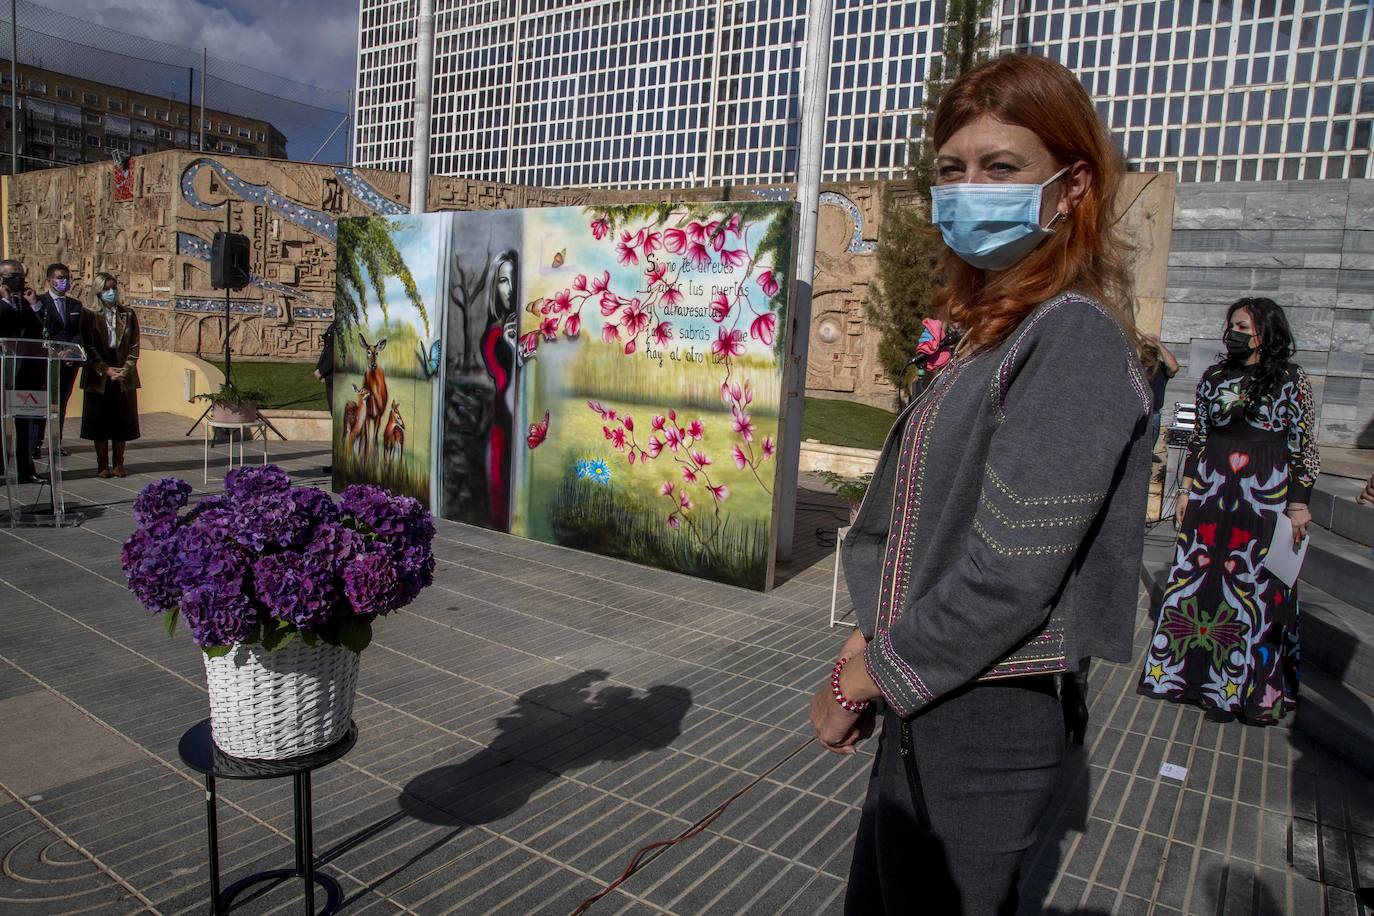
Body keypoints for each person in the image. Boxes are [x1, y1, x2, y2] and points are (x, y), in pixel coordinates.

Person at [810, 54, 1152, 914]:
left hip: (988, 717)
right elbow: (945, 530)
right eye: (952, 170)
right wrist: (872, 649)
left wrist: (866, 678)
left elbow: (1010, 576)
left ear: (1071, 186)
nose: (970, 189)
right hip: (939, 690)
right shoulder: (1004, 328)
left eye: (1001, 168)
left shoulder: (1071, 338)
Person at [1139, 297, 1319, 724]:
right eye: (1231, 325)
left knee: (1252, 589)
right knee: (1198, 579)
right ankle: (1184, 676)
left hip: (1264, 495)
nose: (1233, 332)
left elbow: (1303, 447)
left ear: (1265, 332)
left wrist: (1299, 505)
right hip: (1212, 490)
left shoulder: (1292, 380)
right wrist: (1185, 490)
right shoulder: (1215, 375)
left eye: (1242, 326)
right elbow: (1200, 436)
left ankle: (1243, 689)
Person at [79, 272, 141, 478]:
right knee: (100, 421)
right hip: (99, 373)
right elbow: (87, 345)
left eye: (113, 288)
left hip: (122, 371)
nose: (111, 292)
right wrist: (104, 369)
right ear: (98, 291)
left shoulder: (127, 314)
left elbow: (134, 345)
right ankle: (102, 464)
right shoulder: (88, 314)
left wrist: (126, 368)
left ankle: (119, 463)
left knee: (121, 420)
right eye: (106, 289)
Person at [0, 258, 46, 484]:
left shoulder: (25, 301)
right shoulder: (3, 303)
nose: (20, 281)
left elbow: (38, 330)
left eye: (21, 276)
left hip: (26, 371)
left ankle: (26, 468)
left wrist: (35, 304)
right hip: (4, 372)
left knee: (26, 423)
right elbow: (6, 324)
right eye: (14, 276)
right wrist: (6, 302)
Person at [34, 263, 83, 459]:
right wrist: (56, 351)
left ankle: (56, 442)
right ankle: (35, 444)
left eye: (66, 278)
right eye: (59, 277)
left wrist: (71, 351)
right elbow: (39, 331)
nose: (63, 281)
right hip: (46, 364)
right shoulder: (39, 302)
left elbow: (79, 332)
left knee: (60, 404)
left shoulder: (75, 305)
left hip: (68, 364)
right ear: (49, 280)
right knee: (42, 404)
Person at [314, 318, 336, 474]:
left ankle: (339, 464)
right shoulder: (334, 325)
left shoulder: (340, 327)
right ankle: (337, 462)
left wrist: (322, 371)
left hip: (336, 379)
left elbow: (334, 354)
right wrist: (319, 369)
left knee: (339, 424)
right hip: (330, 378)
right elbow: (326, 350)